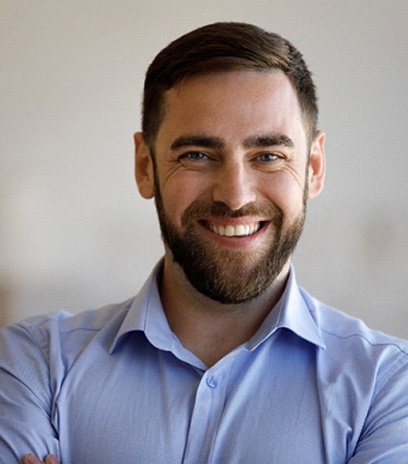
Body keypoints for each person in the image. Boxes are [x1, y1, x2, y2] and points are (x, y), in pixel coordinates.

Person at [1, 22, 408, 464]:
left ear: (313, 167)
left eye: (268, 156)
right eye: (197, 155)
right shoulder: (34, 365)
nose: (235, 196)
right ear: (145, 166)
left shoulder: (387, 388)